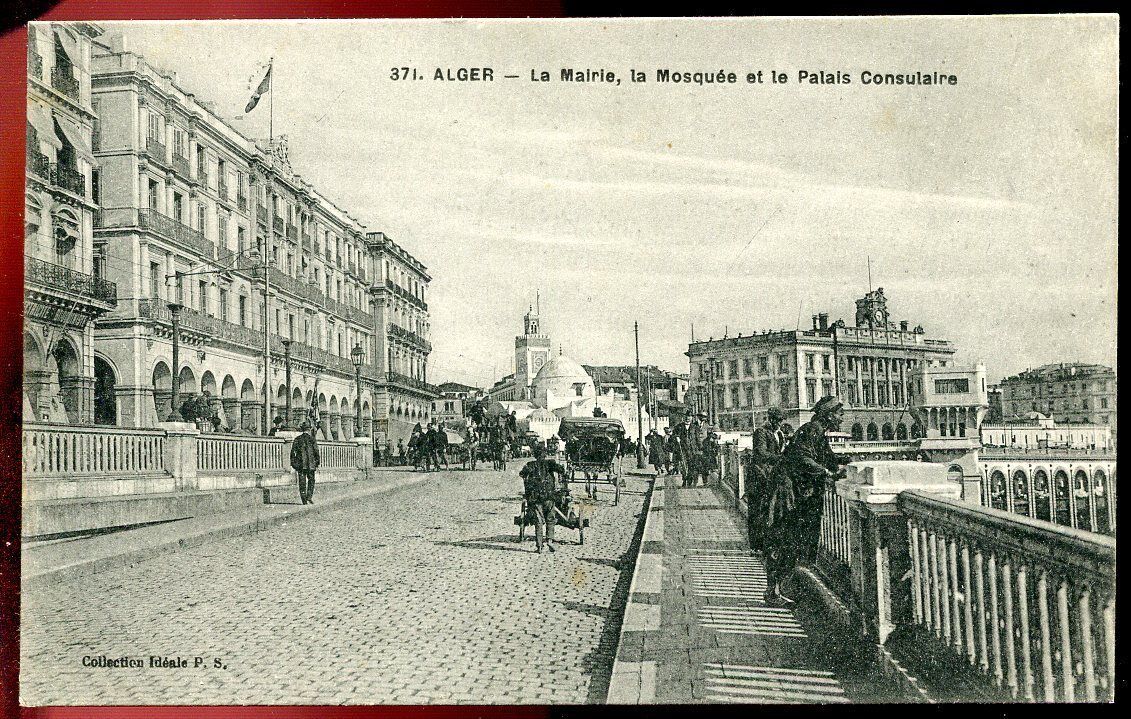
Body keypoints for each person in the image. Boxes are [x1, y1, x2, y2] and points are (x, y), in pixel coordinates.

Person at [762, 396, 849, 606]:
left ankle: (776, 590)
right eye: (839, 414)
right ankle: (774, 592)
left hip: (793, 491)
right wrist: (827, 473)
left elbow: (827, 456)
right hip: (787, 492)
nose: (842, 418)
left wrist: (843, 465)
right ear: (829, 415)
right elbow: (803, 458)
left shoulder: (816, 430)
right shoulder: (813, 430)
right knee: (784, 541)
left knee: (787, 541)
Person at [745, 407, 786, 554]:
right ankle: (755, 545)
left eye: (781, 421)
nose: (779, 424)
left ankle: (766, 543)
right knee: (756, 510)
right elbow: (761, 452)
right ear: (772, 419)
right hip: (758, 475)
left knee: (768, 509)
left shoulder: (780, 434)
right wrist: (780, 459)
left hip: (771, 476)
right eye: (777, 421)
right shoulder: (761, 432)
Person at [520, 444, 568, 553]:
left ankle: (539, 546)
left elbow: (522, 473)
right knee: (550, 519)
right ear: (545, 454)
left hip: (536, 498)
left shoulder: (530, 464)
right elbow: (560, 470)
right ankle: (550, 540)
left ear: (535, 454)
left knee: (538, 521)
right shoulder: (550, 463)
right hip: (549, 497)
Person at [290, 419, 321, 505]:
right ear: (309, 429)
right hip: (311, 465)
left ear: (302, 429)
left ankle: (304, 500)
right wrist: (317, 463)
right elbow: (316, 452)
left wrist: (294, 464)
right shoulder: (312, 439)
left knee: (302, 482)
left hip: (301, 465)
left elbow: (293, 453)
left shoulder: (297, 439)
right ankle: (309, 497)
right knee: (311, 481)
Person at [669, 414, 701, 487]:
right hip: (682, 450)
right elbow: (673, 436)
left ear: (692, 418)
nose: (688, 418)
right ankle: (685, 479)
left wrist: (700, 448)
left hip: (693, 450)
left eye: (689, 417)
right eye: (686, 417)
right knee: (683, 465)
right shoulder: (678, 427)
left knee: (692, 466)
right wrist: (676, 438)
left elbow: (697, 439)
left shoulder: (695, 427)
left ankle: (690, 480)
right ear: (684, 418)